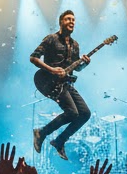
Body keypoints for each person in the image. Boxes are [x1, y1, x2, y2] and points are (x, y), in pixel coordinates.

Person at [31, 10, 92, 161]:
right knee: (72, 112)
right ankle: (42, 133)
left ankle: (59, 141)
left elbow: (75, 67)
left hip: (65, 83)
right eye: (68, 19)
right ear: (61, 22)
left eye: (73, 19)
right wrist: (52, 69)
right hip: (47, 80)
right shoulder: (51, 39)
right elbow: (33, 57)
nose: (71, 22)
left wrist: (84, 64)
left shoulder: (75, 45)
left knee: (85, 113)